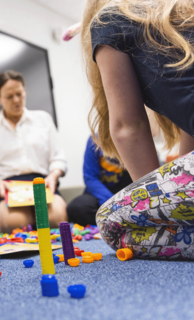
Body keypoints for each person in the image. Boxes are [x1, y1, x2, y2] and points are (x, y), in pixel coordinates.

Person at [80, 0, 194, 259]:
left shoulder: (109, 19)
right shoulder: (184, 13)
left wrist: (158, 212)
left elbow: (127, 127)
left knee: (111, 223)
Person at [0, 70, 68, 233]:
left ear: (25, 92)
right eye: (9, 97)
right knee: (15, 223)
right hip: (8, 186)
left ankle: (30, 223)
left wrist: (53, 176)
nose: (17, 100)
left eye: (19, 94)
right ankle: (12, 223)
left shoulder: (43, 119)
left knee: (57, 219)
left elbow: (58, 159)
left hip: (41, 183)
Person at [67, 135, 132, 226]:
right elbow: (90, 178)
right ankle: (118, 220)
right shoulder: (94, 140)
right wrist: (113, 204)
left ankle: (116, 219)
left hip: (126, 193)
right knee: (76, 208)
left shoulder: (132, 137)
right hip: (100, 193)